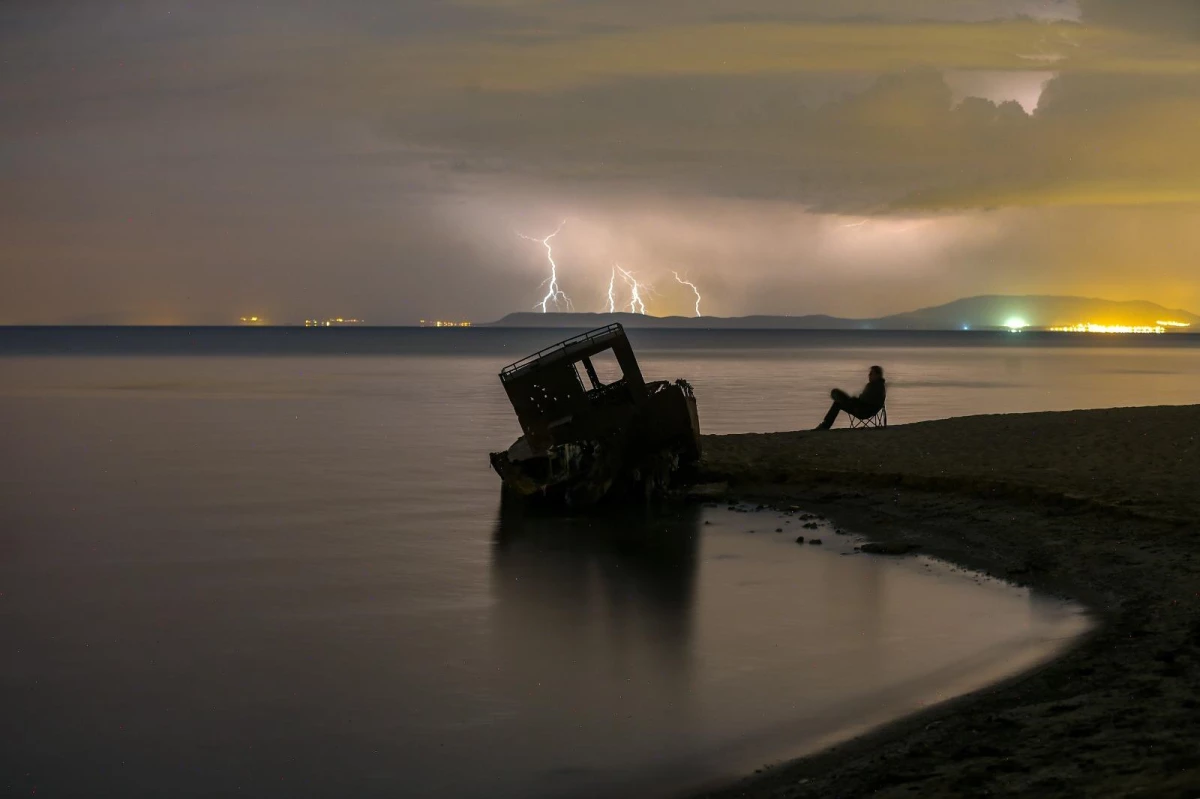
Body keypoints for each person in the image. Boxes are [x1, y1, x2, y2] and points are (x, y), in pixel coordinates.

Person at [815, 365, 886, 430]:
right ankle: (825, 424)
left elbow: (864, 400)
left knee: (837, 403)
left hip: (862, 411)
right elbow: (867, 400)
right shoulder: (879, 386)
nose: (869, 375)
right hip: (863, 408)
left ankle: (825, 425)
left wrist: (855, 400)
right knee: (839, 398)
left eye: (871, 374)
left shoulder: (875, 386)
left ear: (877, 375)